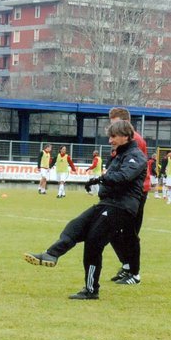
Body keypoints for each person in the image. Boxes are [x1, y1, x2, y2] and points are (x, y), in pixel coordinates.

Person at [24, 120, 147, 300]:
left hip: (121, 208)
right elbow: (112, 177)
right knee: (75, 226)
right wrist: (99, 181)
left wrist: (101, 180)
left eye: (113, 136)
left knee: (93, 243)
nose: (110, 140)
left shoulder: (135, 156)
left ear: (125, 136)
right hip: (107, 203)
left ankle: (91, 290)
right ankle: (51, 255)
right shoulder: (119, 155)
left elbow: (123, 176)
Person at [107, 107, 150, 285]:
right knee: (114, 231)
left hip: (135, 192)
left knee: (128, 232)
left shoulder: (135, 140)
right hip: (123, 191)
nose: (112, 133)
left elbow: (131, 169)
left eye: (115, 124)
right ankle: (127, 266)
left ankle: (133, 272)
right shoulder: (124, 141)